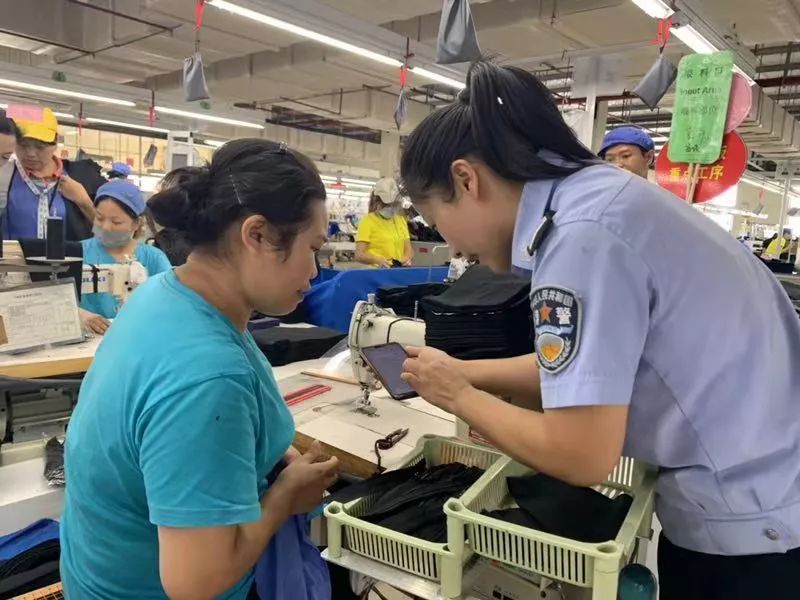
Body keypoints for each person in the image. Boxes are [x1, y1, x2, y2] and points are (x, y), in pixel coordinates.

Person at [398, 60, 800, 599]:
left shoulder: (578, 238)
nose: (453, 247)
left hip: (754, 532)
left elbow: (581, 456)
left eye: (436, 218)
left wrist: (460, 396)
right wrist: (465, 371)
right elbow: (588, 370)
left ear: (465, 180)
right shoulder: (598, 199)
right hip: (769, 492)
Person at [61, 139, 339, 599]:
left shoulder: (167, 292)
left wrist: (267, 457)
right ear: (256, 235)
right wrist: (284, 496)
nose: (315, 273)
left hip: (98, 574)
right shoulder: (209, 376)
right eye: (313, 248)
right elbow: (194, 583)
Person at [79, 179, 172, 335]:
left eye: (116, 222)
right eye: (100, 218)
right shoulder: (77, 253)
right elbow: (57, 299)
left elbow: (169, 302)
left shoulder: (153, 258)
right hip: (88, 339)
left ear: (136, 224)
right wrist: (84, 316)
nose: (106, 227)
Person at [1, 107, 95, 241]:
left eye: (40, 146)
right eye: (23, 145)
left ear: (56, 142)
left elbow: (110, 236)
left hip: (68, 260)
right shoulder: (5, 174)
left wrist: (84, 202)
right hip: (13, 261)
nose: (31, 154)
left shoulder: (82, 177)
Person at [355, 177, 413, 267]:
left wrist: (406, 258)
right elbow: (359, 255)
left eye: (394, 204)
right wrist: (377, 260)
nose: (391, 207)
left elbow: (408, 249)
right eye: (387, 205)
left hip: (397, 272)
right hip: (376, 273)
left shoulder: (400, 220)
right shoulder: (367, 221)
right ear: (378, 202)